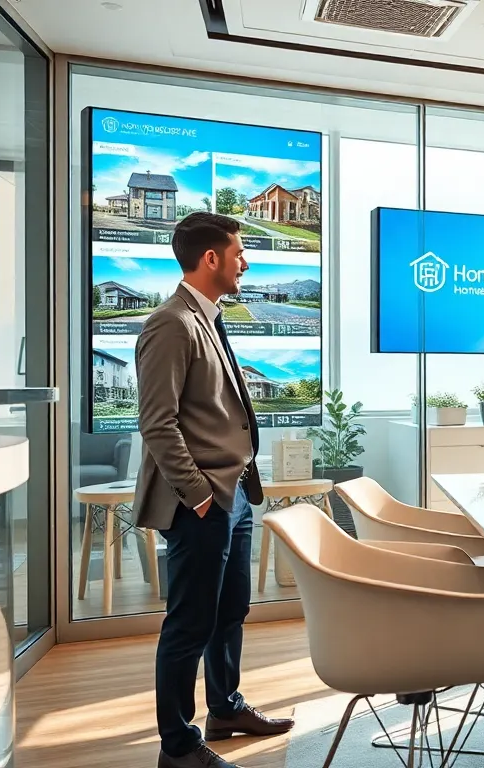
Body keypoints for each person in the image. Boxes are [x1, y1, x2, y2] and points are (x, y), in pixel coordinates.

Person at [135, 212, 292, 768]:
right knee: (189, 623)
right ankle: (178, 747)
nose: (245, 262)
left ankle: (224, 709)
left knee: (230, 611)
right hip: (201, 501)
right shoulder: (170, 323)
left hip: (235, 494)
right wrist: (199, 495)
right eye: (239, 253)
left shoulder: (209, 316)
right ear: (211, 260)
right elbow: (158, 424)